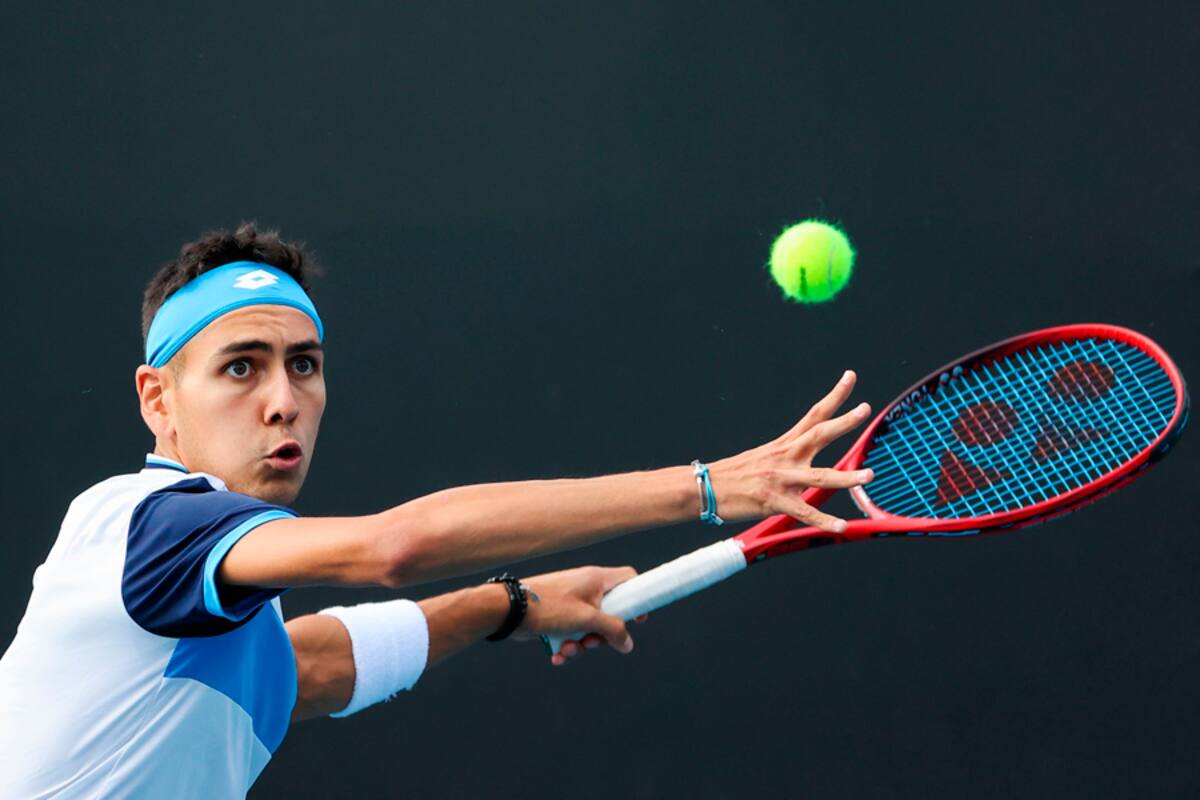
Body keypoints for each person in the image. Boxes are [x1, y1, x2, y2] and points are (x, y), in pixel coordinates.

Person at [0, 222, 874, 798]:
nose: (284, 401)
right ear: (158, 400)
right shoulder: (146, 521)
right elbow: (397, 547)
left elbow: (303, 668)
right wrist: (711, 486)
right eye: (241, 367)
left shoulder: (204, 611)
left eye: (303, 365)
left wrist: (511, 605)